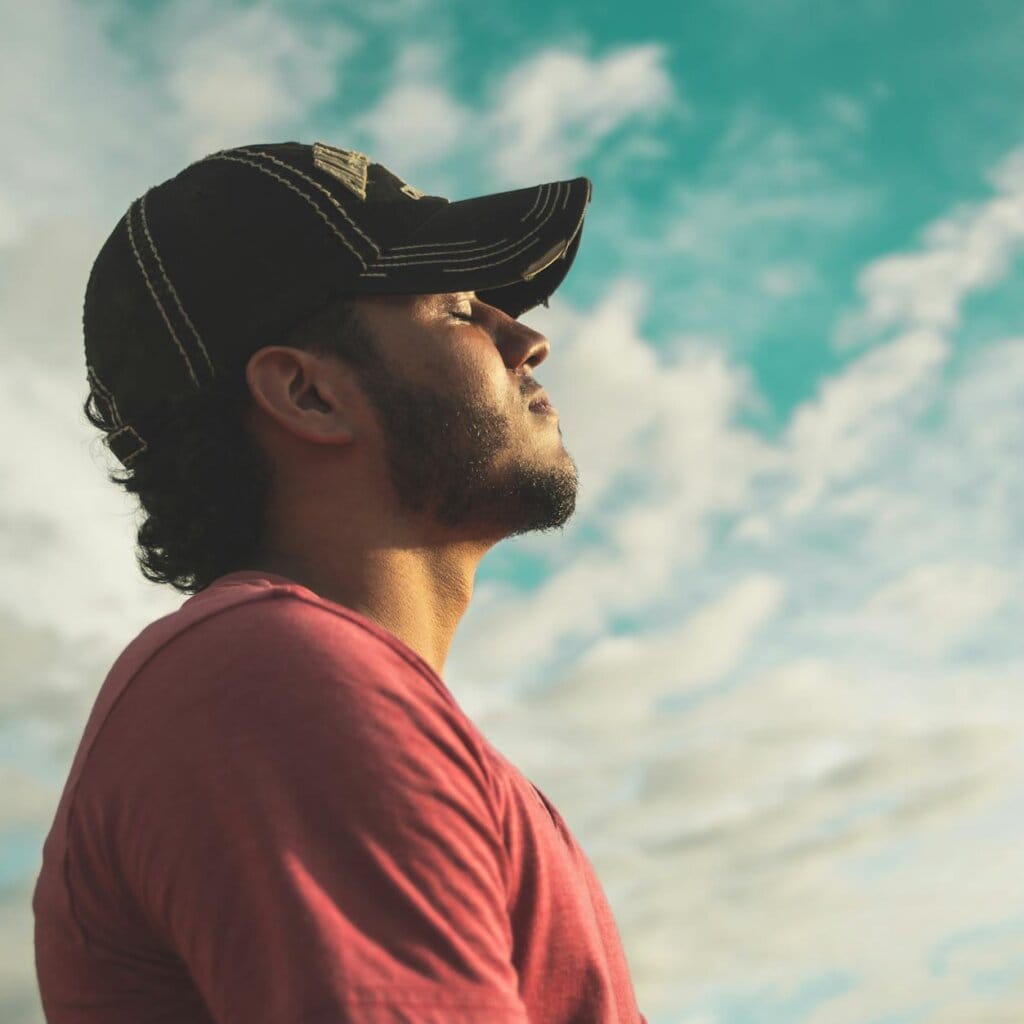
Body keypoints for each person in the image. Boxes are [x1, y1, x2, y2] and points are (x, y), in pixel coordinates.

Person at [32, 141, 648, 1023]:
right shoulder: (272, 680)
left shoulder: (299, 686)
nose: (527, 338)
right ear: (308, 395)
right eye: (455, 308)